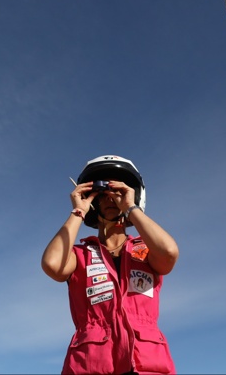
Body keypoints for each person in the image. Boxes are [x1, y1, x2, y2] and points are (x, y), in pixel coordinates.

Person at [41, 155, 179, 375]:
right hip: (90, 366)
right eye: (102, 194)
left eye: (118, 191)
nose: (110, 198)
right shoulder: (79, 254)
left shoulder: (146, 249)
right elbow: (52, 265)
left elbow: (169, 252)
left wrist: (131, 207)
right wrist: (79, 211)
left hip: (149, 367)